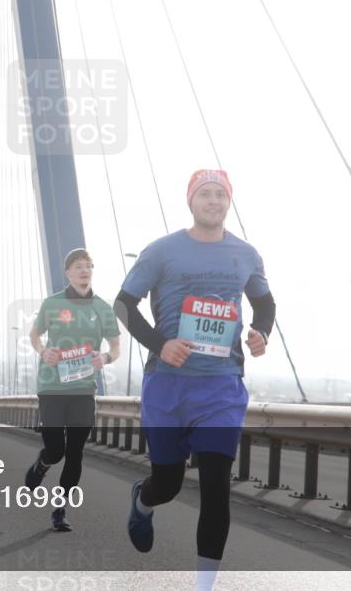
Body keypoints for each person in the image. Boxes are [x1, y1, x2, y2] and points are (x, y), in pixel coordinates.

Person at [115, 169, 275, 591]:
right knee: (166, 482)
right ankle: (143, 500)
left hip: (222, 386)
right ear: (191, 200)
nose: (213, 201)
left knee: (217, 488)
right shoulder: (162, 251)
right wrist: (160, 343)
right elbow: (124, 304)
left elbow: (264, 302)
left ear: (228, 202)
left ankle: (204, 585)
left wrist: (261, 333)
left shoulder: (245, 253)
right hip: (168, 383)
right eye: (205, 194)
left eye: (220, 194)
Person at [26, 248, 121, 532]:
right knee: (56, 449)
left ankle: (60, 507)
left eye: (89, 266)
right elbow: (34, 334)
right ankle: (43, 463)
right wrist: (43, 352)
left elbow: (116, 346)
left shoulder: (103, 308)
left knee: (76, 452)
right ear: (68, 272)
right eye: (78, 266)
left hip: (83, 389)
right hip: (52, 387)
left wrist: (105, 357)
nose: (84, 271)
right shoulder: (52, 304)